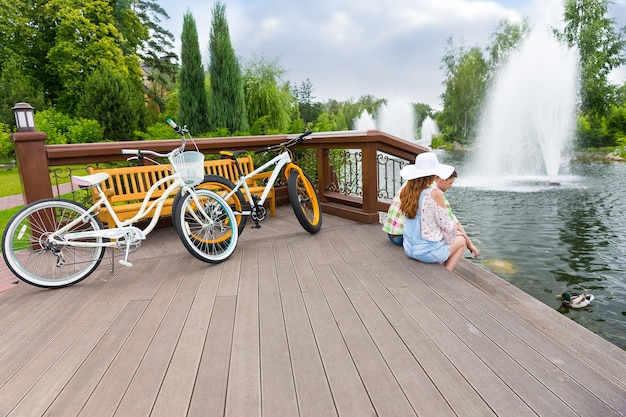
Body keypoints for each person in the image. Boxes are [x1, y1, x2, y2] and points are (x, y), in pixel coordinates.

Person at [400, 152, 477, 271]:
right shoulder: (434, 193)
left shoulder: (408, 191)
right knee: (461, 239)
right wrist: (459, 234)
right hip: (426, 253)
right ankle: (446, 272)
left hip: (409, 248)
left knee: (448, 237)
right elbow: (447, 227)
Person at [433, 171, 479, 258]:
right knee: (461, 240)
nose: (451, 186)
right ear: (441, 180)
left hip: (407, 239)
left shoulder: (424, 189)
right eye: (450, 183)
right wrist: (469, 243)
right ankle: (446, 270)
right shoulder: (438, 195)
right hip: (423, 246)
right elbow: (454, 223)